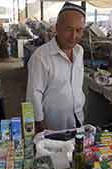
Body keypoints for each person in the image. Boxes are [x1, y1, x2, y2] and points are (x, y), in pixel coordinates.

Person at [26, 2, 86, 133]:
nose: (74, 36)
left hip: (78, 119)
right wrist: (39, 124)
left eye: (79, 30)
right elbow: (33, 94)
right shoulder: (41, 57)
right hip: (52, 126)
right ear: (57, 28)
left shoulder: (79, 51)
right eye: (69, 29)